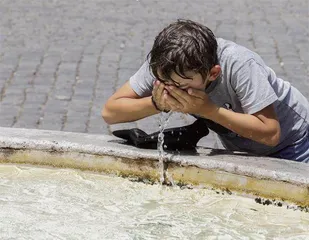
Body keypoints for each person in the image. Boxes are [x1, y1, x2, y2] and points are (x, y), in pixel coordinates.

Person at [102, 19, 309, 163]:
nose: (172, 88)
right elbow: (110, 113)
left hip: (296, 143)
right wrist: (156, 103)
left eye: (182, 86)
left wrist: (208, 110)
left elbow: (271, 132)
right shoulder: (166, 64)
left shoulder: (240, 64)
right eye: (164, 82)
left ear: (213, 73)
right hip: (244, 149)